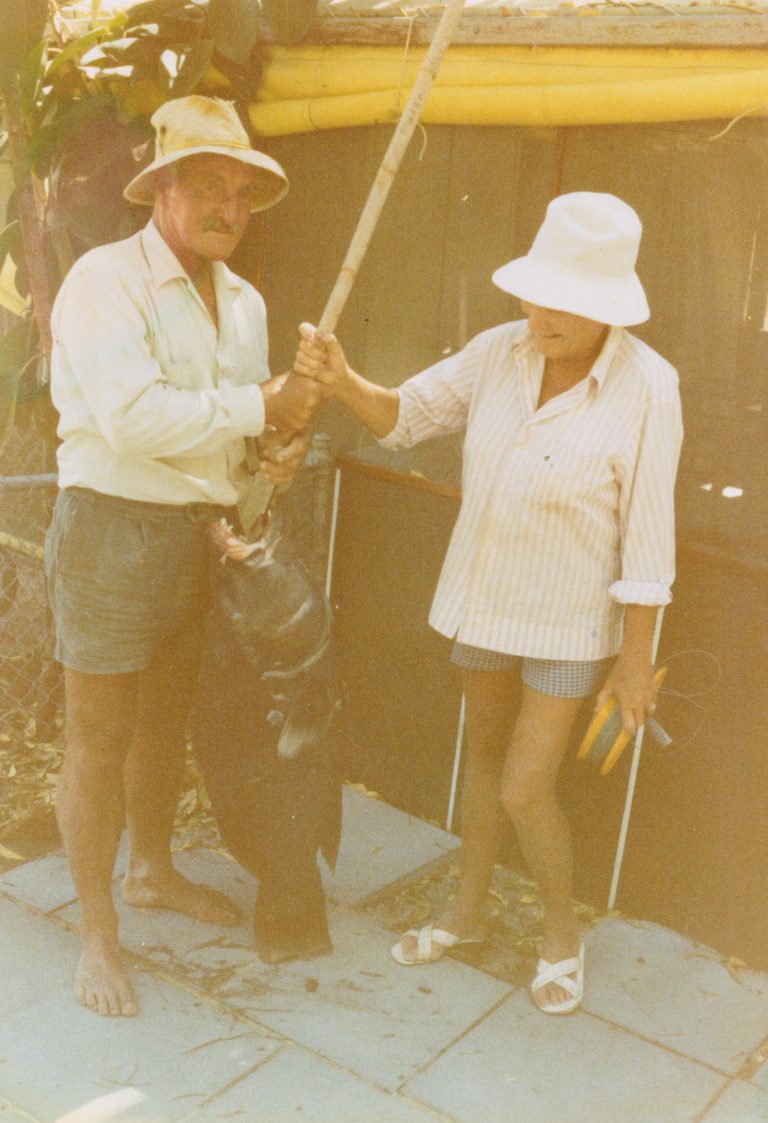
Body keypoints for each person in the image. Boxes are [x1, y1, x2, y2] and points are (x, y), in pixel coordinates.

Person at [294, 192, 683, 1014]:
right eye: (535, 293)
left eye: (563, 301)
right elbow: (407, 416)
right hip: (484, 597)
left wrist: (636, 657)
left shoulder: (650, 386)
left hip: (571, 622)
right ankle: (466, 918)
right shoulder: (498, 350)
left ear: (608, 307)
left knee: (523, 787)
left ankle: (561, 936)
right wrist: (341, 381)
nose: (540, 314)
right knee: (479, 760)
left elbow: (650, 536)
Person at [46, 95, 326, 1018]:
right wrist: (261, 407)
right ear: (161, 186)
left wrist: (272, 450)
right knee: (98, 736)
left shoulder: (243, 302)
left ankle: (151, 871)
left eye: (242, 194)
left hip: (196, 534)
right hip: (109, 531)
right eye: (209, 186)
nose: (229, 209)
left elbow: (235, 433)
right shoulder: (103, 281)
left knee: (164, 721)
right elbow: (131, 420)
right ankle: (97, 932)